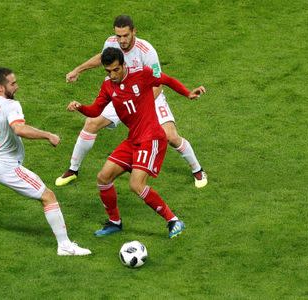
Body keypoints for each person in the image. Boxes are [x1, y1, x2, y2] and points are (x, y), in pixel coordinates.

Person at [0, 67, 91, 256]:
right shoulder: (10, 106)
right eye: (12, 84)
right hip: (6, 167)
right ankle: (64, 245)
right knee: (48, 196)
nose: (17, 87)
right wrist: (48, 135)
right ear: (0, 87)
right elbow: (19, 129)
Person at [67, 47, 206, 238]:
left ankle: (173, 220)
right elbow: (94, 111)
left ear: (124, 65)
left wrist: (188, 93)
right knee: (103, 177)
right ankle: (115, 222)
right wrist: (80, 107)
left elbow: (167, 80)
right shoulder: (108, 86)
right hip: (133, 139)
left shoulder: (143, 74)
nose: (113, 75)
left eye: (116, 70)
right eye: (108, 71)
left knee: (136, 184)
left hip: (151, 138)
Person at [56, 15, 207, 188]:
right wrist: (78, 70)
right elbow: (102, 58)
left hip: (148, 97)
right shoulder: (111, 42)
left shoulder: (147, 51)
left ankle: (197, 169)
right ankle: (73, 170)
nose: (121, 40)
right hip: (122, 96)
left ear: (134, 31)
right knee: (91, 123)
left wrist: (140, 106)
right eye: (118, 36)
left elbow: (158, 82)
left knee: (170, 136)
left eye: (125, 35)